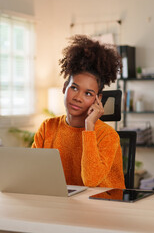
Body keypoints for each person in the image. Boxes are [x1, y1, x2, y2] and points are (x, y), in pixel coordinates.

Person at [32, 35, 125, 189]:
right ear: (64, 88)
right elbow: (32, 172)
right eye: (74, 88)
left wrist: (89, 127)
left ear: (98, 99)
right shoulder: (48, 127)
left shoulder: (108, 136)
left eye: (88, 93)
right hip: (61, 202)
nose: (78, 98)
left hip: (103, 205)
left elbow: (91, 181)